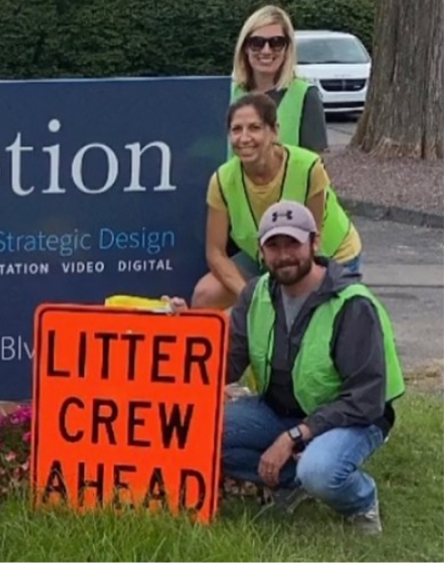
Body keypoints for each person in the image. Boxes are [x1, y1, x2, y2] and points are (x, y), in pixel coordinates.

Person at [170, 200, 404, 534]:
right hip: (279, 411)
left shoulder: (352, 304)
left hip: (354, 418)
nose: (284, 255)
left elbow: (365, 400)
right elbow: (227, 364)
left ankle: (361, 501)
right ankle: (294, 481)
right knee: (195, 432)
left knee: (320, 471)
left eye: (293, 243)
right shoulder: (256, 293)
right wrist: (185, 334)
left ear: (315, 242)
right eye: (273, 246)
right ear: (261, 252)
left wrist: (293, 437)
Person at [191, 93, 361, 310]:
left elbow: (312, 245)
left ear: (274, 131)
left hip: (325, 254)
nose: (244, 138)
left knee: (308, 317)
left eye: (254, 128)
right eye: (236, 130)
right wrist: (250, 297)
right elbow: (215, 253)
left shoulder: (309, 168)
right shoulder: (222, 180)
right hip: (267, 256)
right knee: (205, 295)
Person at [230, 4, 327, 153]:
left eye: (276, 42)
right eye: (257, 43)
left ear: (287, 48)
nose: (266, 51)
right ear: (245, 48)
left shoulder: (305, 95)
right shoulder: (228, 93)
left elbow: (314, 166)